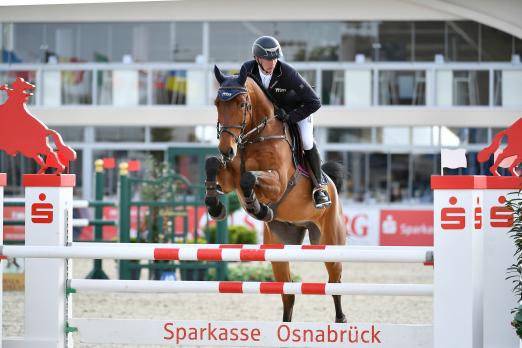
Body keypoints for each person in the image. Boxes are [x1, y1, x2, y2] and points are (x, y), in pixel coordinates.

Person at [241, 36, 331, 208]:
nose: (272, 62)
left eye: (275, 58)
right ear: (257, 59)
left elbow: (314, 102)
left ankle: (320, 187)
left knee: (306, 142)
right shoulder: (247, 69)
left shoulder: (287, 72)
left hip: (299, 112)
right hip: (270, 117)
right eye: (268, 58)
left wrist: (290, 116)